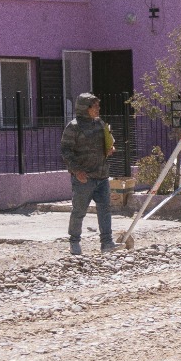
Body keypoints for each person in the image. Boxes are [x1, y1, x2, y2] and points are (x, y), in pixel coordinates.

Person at [60, 93, 116, 255]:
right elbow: (66, 151)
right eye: (94, 106)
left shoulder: (100, 124)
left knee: (105, 210)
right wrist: (76, 171)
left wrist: (110, 148)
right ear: (85, 108)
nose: (98, 109)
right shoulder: (73, 127)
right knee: (79, 211)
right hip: (84, 178)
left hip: (102, 176)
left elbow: (108, 142)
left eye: (98, 105)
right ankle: (74, 242)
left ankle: (107, 243)